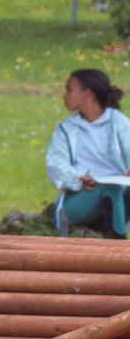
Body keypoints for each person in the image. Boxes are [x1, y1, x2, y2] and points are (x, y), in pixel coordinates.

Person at [48, 68, 130, 236]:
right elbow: (55, 163)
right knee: (112, 190)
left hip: (122, 194)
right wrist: (76, 179)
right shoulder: (65, 129)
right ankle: (120, 243)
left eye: (69, 90)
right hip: (82, 197)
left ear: (87, 93)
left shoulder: (118, 123)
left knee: (117, 189)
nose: (64, 95)